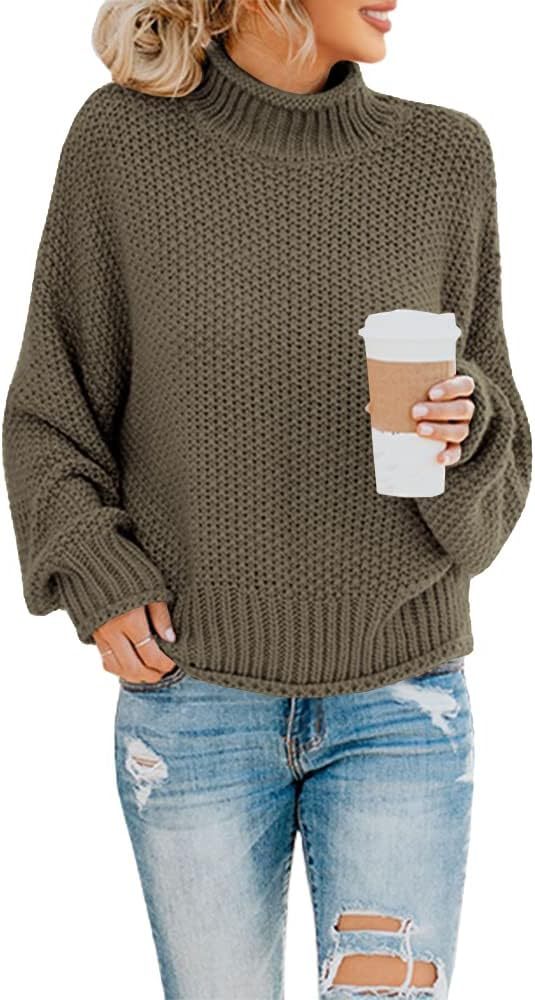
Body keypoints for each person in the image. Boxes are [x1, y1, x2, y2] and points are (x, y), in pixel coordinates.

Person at [3, 1, 531, 997]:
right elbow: (49, 411)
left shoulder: (446, 158)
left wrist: (465, 427)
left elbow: (497, 471)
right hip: (193, 699)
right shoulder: (122, 144)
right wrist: (96, 572)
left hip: (401, 705)